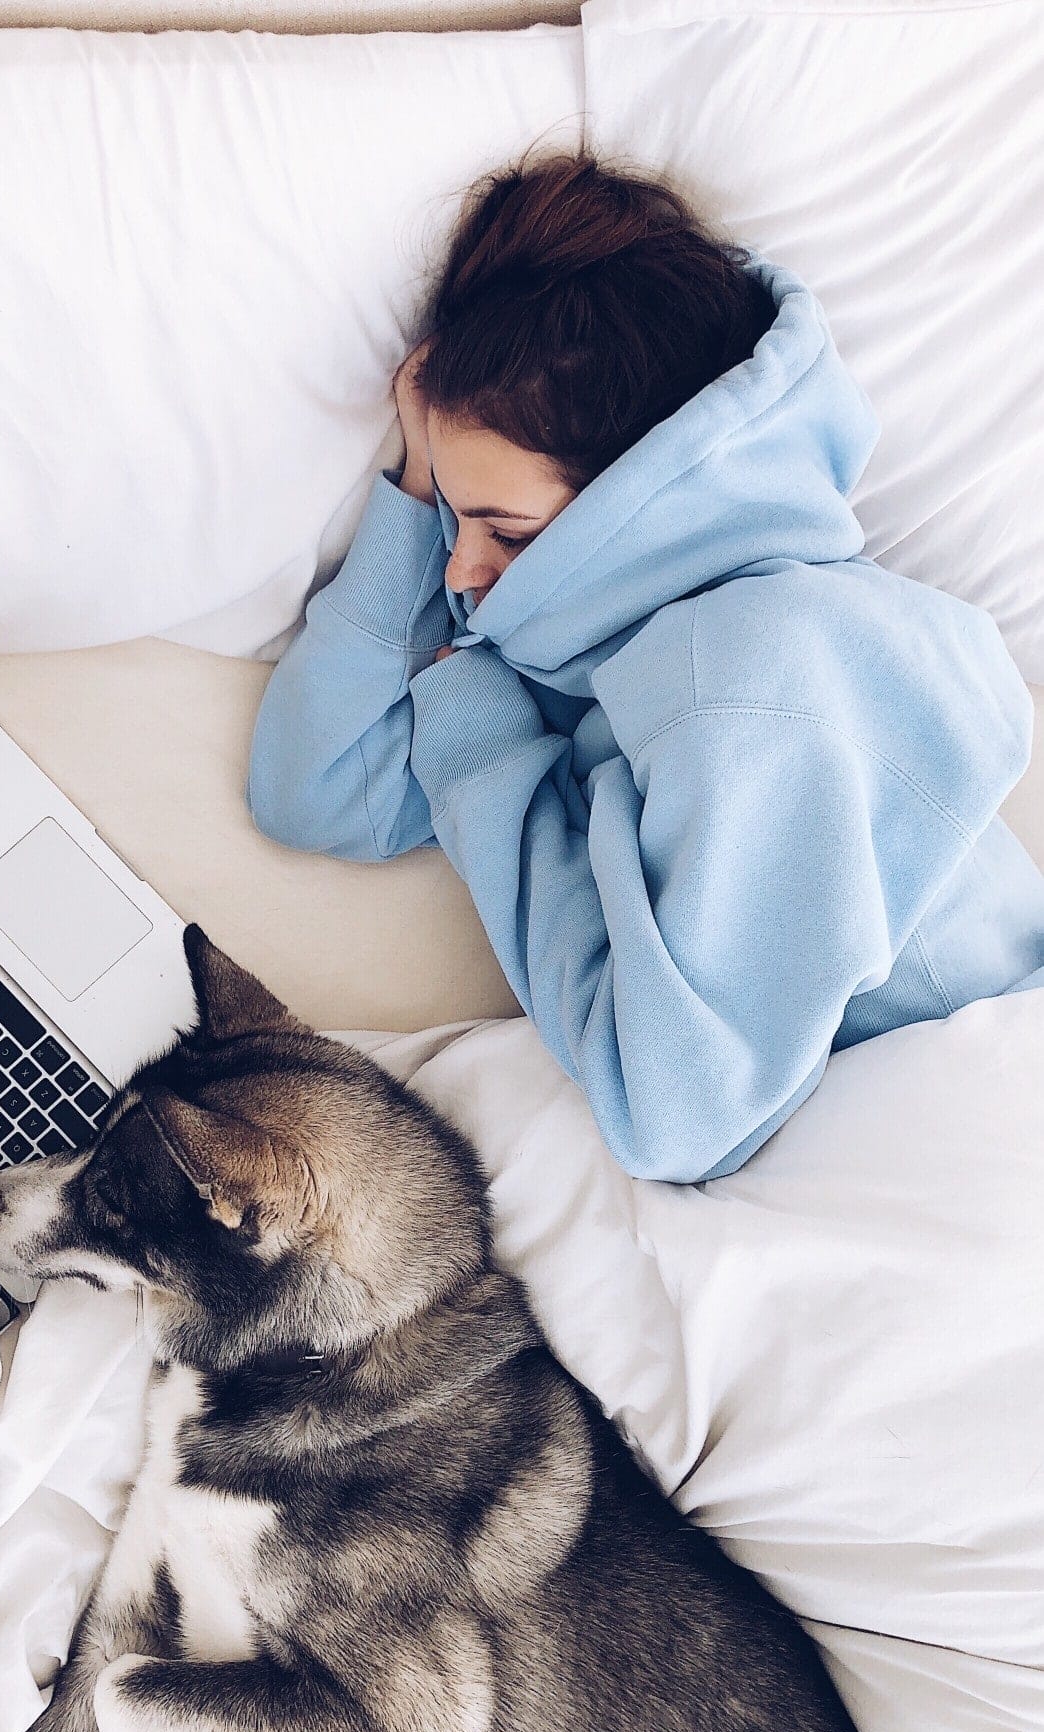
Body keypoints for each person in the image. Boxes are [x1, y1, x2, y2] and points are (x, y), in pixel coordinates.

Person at [245, 151, 1044, 1184]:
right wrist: (412, 486)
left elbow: (675, 1118)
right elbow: (311, 793)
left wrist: (483, 743)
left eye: (506, 528)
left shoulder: (762, 671)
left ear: (635, 503)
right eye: (455, 513)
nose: (462, 570)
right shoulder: (600, 635)